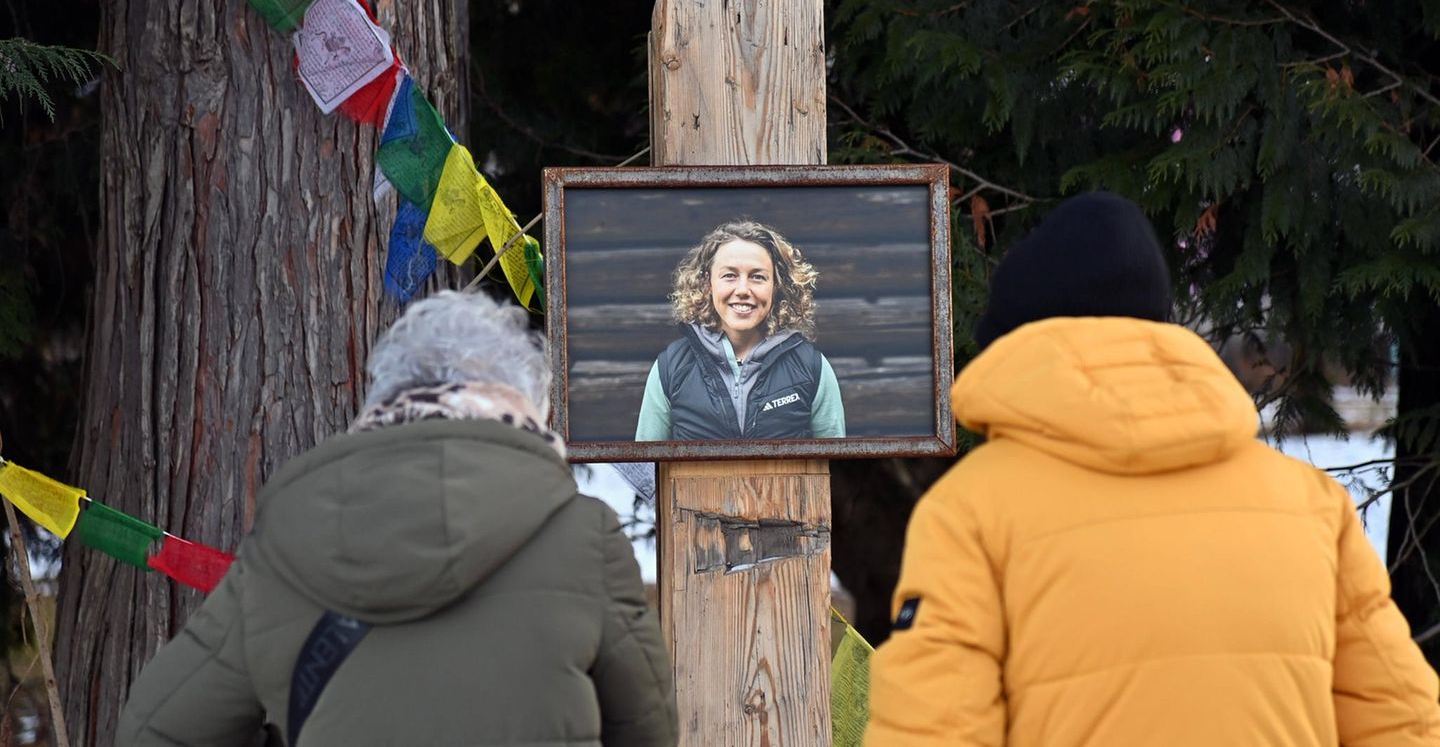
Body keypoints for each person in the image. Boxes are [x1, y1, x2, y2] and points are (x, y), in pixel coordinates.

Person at [865, 193, 1440, 746]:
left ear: (1010, 349)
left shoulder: (969, 512)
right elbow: (1403, 723)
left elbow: (932, 733)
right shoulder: (1310, 504)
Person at [117, 290, 678, 747]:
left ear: (384, 399)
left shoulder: (286, 549)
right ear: (525, 404)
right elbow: (647, 729)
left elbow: (157, 731)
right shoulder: (584, 536)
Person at [635, 219, 845, 441]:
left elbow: (834, 465)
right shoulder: (670, 368)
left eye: (757, 277)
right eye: (729, 275)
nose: (743, 290)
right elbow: (647, 466)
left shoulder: (812, 368)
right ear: (708, 284)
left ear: (776, 286)